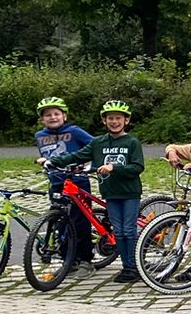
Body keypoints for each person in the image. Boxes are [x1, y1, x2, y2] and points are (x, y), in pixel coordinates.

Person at [57, 99, 145, 282]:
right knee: (118, 231)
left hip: (129, 192)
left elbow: (137, 167)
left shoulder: (132, 142)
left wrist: (114, 168)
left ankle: (133, 267)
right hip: (110, 193)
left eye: (118, 118)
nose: (114, 122)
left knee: (129, 230)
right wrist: (53, 161)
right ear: (104, 121)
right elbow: (77, 156)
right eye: (110, 118)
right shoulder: (98, 143)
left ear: (126, 121)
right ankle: (125, 265)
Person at [33, 96, 96, 264]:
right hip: (56, 182)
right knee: (59, 220)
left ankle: (85, 259)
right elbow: (48, 154)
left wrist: (90, 164)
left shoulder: (74, 131)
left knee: (79, 221)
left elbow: (96, 146)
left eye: (56, 114)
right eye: (48, 115)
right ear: (42, 119)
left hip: (77, 181)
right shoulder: (40, 135)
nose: (52, 117)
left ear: (64, 116)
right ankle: (67, 256)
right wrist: (42, 160)